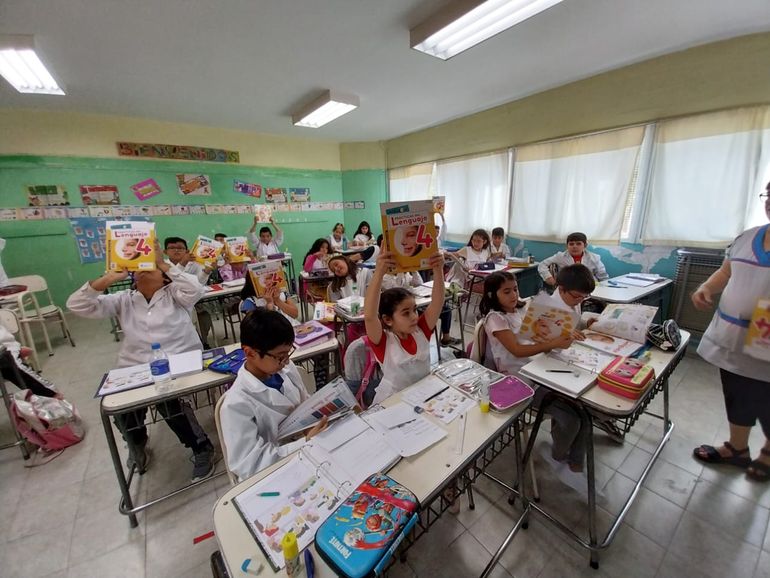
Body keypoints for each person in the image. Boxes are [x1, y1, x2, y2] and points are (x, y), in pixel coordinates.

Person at [66, 242, 216, 480]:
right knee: (122, 407)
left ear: (164, 277)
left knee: (169, 402)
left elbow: (196, 289)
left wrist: (162, 263)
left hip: (178, 362)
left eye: (150, 268)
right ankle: (136, 442)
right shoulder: (124, 299)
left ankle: (200, 446)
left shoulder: (175, 295)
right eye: (139, 269)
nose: (143, 271)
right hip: (135, 366)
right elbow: (76, 305)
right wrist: (110, 277)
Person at [692, 185, 770, 482]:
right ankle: (737, 448)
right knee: (737, 391)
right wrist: (705, 287)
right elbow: (726, 272)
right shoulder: (747, 237)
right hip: (733, 335)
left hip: (766, 340)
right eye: (769, 196)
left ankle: (768, 453)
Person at [219, 309, 327, 481]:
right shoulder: (235, 404)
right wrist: (305, 441)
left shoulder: (285, 369)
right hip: (273, 474)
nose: (286, 361)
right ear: (250, 353)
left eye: (288, 353)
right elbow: (250, 465)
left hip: (307, 452)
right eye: (280, 356)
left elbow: (304, 403)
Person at [364, 249, 445, 404]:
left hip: (422, 397)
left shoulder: (420, 330)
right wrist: (379, 272)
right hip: (393, 403)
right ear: (388, 320)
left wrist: (438, 269)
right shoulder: (383, 342)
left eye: (415, 310)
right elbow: (369, 316)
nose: (414, 317)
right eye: (406, 313)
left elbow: (438, 301)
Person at [537, 232, 608, 287]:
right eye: (571, 244)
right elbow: (542, 265)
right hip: (568, 287)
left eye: (578, 244)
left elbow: (603, 276)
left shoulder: (594, 258)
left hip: (589, 287)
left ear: (585, 245)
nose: (574, 246)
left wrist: (604, 287)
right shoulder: (560, 256)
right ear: (567, 246)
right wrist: (549, 278)